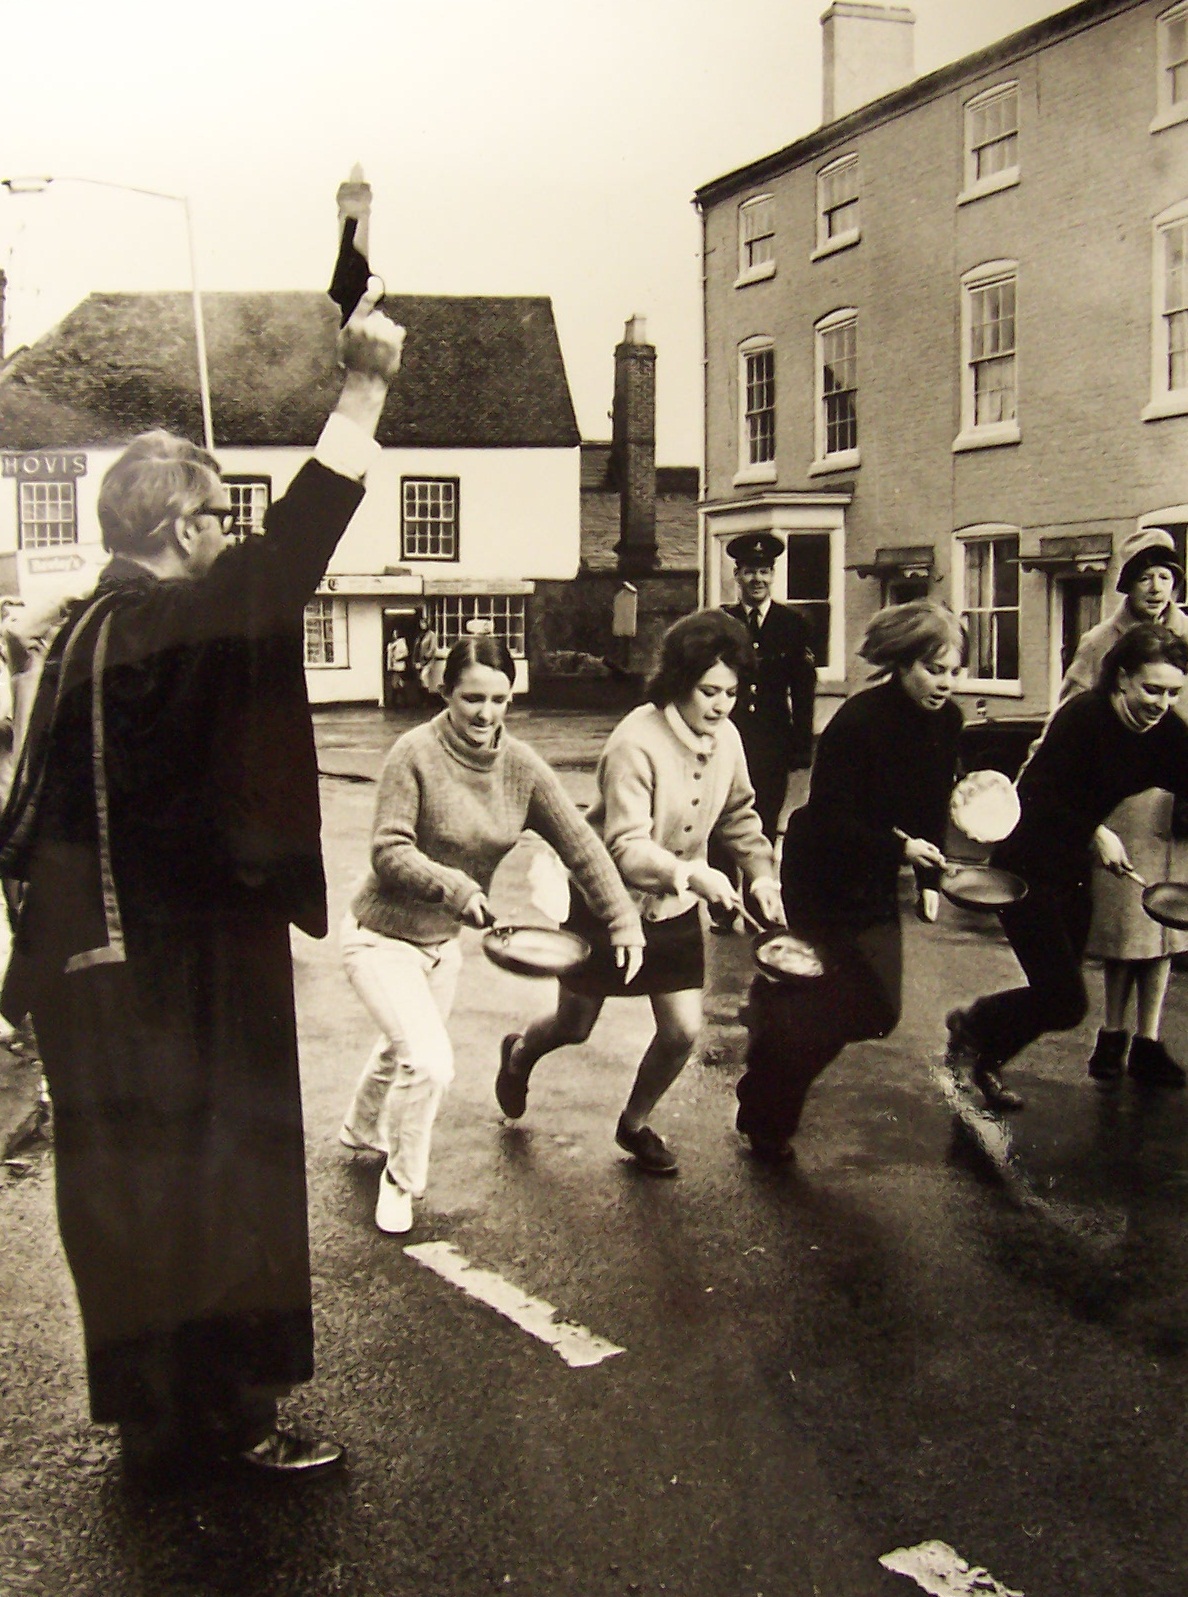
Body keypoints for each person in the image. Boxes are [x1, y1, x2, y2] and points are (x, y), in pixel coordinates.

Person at [0, 281, 405, 1483]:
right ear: (178, 530)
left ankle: (155, 1416)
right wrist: (365, 390)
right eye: (219, 517)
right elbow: (288, 562)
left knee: (125, 1199)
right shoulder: (171, 623)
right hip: (185, 968)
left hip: (87, 972)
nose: (232, 533)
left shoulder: (81, 634)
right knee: (226, 1185)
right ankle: (233, 1421)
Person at [339, 634, 644, 1233]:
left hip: (440, 946)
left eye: (499, 699)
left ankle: (358, 1128)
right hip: (378, 936)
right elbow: (388, 850)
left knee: (402, 1046)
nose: (485, 714)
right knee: (427, 1062)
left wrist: (622, 918)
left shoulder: (522, 767)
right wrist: (457, 889)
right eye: (472, 698)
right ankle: (400, 1184)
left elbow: (582, 847)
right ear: (446, 692)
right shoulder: (413, 753)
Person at [494, 610, 785, 1177]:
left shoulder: (727, 737)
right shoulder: (635, 741)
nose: (722, 705)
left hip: (673, 908)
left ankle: (634, 1124)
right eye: (709, 691)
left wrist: (763, 874)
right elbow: (626, 846)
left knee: (682, 1031)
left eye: (731, 691)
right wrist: (696, 876)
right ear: (679, 682)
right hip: (607, 902)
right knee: (574, 1026)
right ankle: (520, 1053)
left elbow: (739, 813)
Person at [734, 601, 965, 1160]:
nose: (945, 684)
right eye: (934, 670)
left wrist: (929, 877)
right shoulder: (858, 722)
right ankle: (768, 1116)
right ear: (903, 664)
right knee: (829, 1001)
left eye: (954, 671)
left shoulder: (948, 720)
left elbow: (934, 803)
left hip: (876, 874)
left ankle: (773, 1023)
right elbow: (832, 815)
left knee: (875, 1009)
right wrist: (900, 846)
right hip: (823, 874)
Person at [947, 623, 1188, 1111]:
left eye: (1173, 691)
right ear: (1121, 679)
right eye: (1152, 689)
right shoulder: (1083, 718)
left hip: (1073, 872)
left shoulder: (1165, 731)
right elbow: (1034, 793)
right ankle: (976, 1029)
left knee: (1056, 996)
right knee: (1066, 1000)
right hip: (1024, 868)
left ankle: (983, 1045)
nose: (1161, 702)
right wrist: (1096, 832)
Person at [1052, 527, 1188, 1088]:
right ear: (1126, 582)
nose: (1156, 588)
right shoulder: (1100, 641)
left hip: (1177, 793)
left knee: (1167, 922)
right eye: (1144, 576)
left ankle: (1150, 1040)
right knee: (1125, 923)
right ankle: (1111, 1035)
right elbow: (1067, 713)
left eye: (1166, 576)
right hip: (1122, 800)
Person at [720, 530, 816, 840]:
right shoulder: (723, 622)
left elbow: (803, 689)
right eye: (749, 571)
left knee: (764, 823)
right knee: (722, 823)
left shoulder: (793, 624)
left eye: (764, 571)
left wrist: (801, 745)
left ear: (773, 574)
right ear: (737, 575)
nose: (757, 579)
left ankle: (756, 888)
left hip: (773, 741)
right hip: (730, 736)